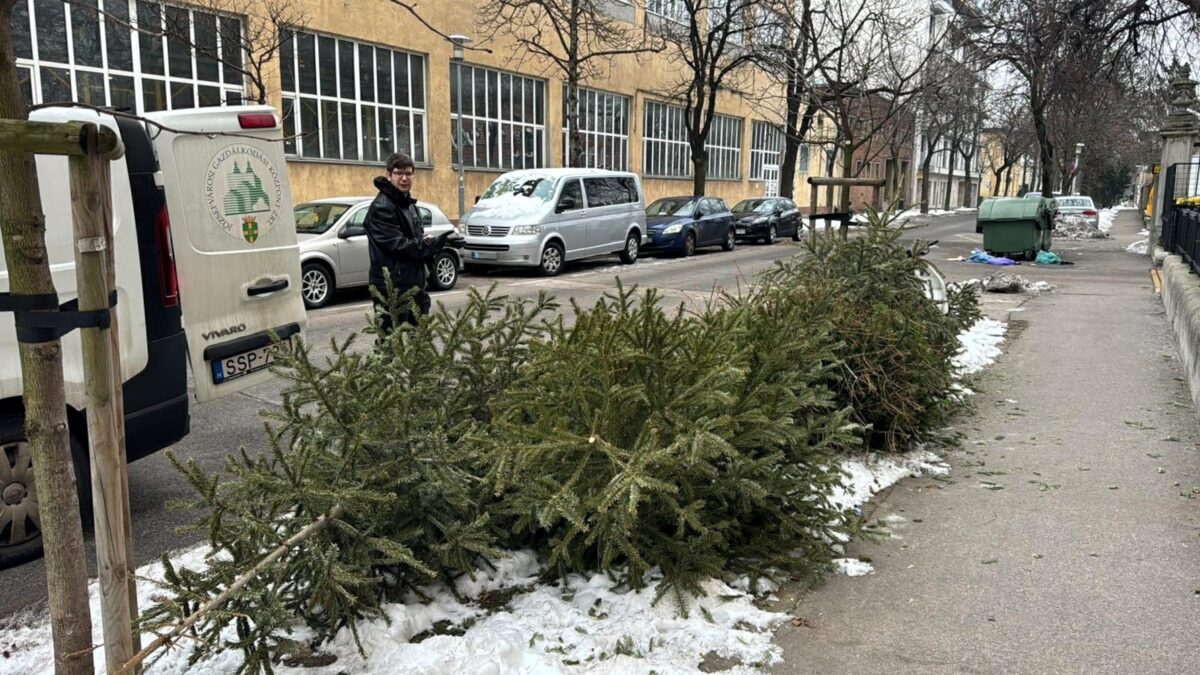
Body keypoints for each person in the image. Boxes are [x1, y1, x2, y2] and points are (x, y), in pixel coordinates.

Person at [364, 152, 445, 334]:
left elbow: (415, 239)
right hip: (392, 287)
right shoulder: (383, 207)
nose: (404, 178)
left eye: (408, 173)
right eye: (399, 173)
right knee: (393, 343)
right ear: (389, 175)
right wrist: (434, 245)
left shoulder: (408, 204)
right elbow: (399, 246)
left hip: (412, 283)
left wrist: (430, 243)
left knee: (417, 344)